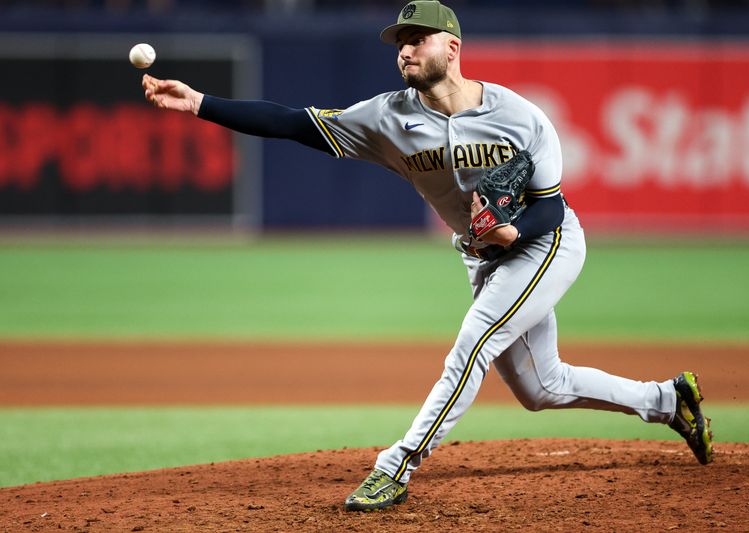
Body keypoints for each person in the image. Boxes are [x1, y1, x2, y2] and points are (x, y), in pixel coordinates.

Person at [142, 0, 713, 512]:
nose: (406, 50)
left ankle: (397, 464)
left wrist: (511, 232)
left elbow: (551, 208)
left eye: (418, 38)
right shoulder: (387, 117)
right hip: (484, 256)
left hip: (548, 243)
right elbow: (293, 123)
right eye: (400, 42)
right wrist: (200, 103)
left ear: (452, 47)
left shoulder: (520, 116)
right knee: (542, 389)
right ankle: (666, 399)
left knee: (475, 341)